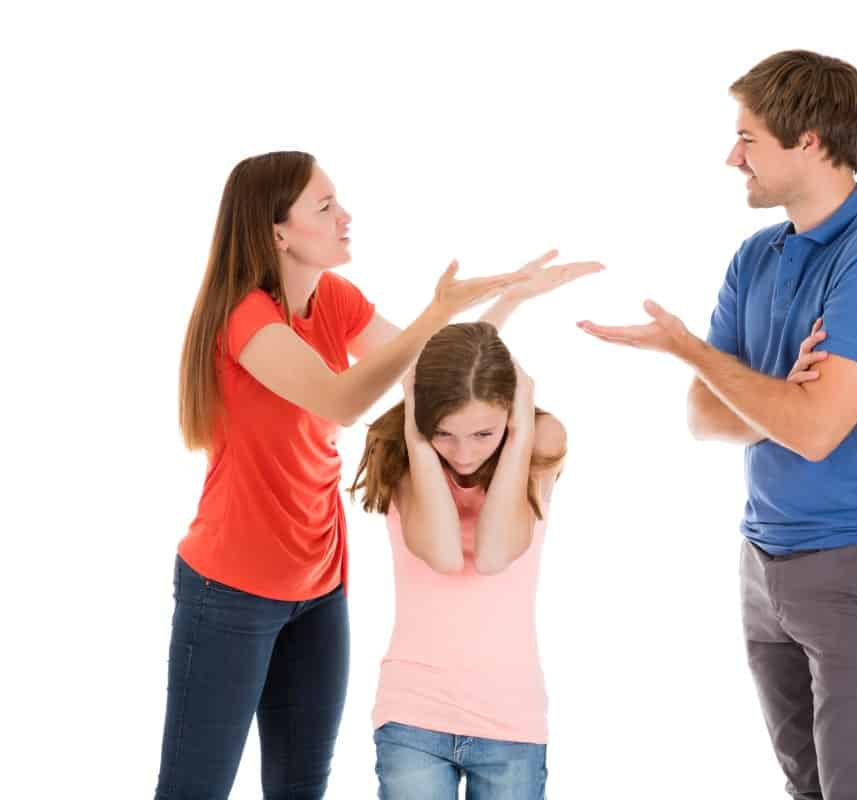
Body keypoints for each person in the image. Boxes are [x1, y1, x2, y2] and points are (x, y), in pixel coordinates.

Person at [156, 148, 599, 799]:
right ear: (278, 231)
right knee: (196, 787)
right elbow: (343, 398)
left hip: (317, 582)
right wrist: (434, 308)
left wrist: (507, 304)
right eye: (325, 205)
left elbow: (433, 376)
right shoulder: (247, 320)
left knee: (301, 784)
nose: (346, 217)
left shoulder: (334, 300)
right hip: (231, 587)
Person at [578, 51, 857, 800]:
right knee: (804, 791)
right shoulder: (756, 257)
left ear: (808, 140)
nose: (730, 156)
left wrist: (690, 350)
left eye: (747, 139)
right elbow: (704, 418)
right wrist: (780, 388)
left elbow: (815, 432)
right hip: (765, 563)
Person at [353, 321, 567, 799]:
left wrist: (520, 433)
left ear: (513, 414)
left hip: (511, 719)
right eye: (444, 434)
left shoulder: (539, 439)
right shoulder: (401, 453)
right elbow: (446, 556)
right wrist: (415, 432)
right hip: (414, 715)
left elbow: (494, 555)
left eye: (483, 433)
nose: (464, 453)